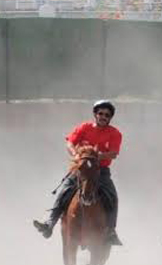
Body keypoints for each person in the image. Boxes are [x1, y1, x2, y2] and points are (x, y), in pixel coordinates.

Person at [33, 100, 123, 246]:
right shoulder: (84, 127)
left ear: (110, 117)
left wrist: (95, 157)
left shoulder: (115, 133)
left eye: (107, 115)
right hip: (81, 168)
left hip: (101, 171)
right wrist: (76, 154)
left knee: (112, 195)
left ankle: (110, 231)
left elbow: (113, 153)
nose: (103, 116)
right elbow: (70, 142)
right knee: (64, 191)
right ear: (95, 114)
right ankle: (50, 222)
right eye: (100, 113)